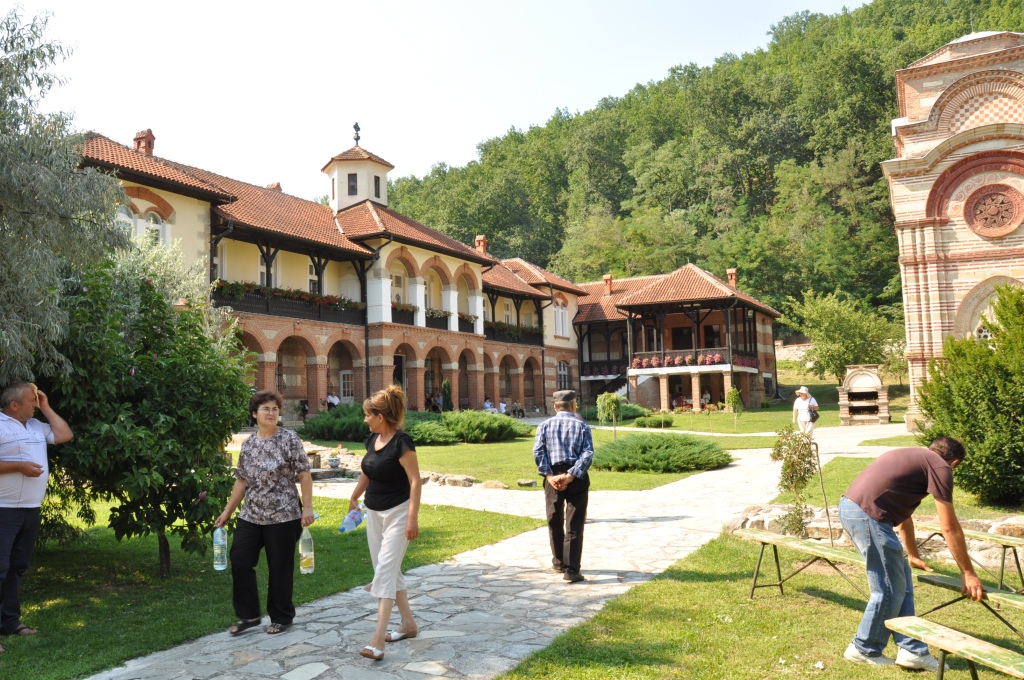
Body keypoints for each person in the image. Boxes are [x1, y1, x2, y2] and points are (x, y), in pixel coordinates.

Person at [839, 437, 984, 670]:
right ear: (954, 463)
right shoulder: (941, 467)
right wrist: (968, 572)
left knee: (901, 583)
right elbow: (949, 526)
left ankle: (911, 650)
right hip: (868, 515)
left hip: (854, 508)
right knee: (887, 588)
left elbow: (903, 516)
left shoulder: (915, 458)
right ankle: (863, 648)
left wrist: (913, 554)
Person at [215, 390, 315, 636]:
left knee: (279, 567)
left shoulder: (289, 439)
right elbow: (241, 480)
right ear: (254, 414)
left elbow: (304, 474)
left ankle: (281, 617)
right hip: (251, 515)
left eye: (275, 409)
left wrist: (308, 507)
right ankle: (249, 615)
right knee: (240, 559)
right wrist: (227, 512)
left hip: (284, 515)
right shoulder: (248, 444)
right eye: (265, 409)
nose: (271, 413)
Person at [349, 385, 422, 661]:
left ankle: (377, 640)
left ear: (380, 417)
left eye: (368, 415)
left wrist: (412, 519)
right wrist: (354, 496)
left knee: (385, 573)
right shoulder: (373, 440)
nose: (364, 419)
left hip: (399, 513)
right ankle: (408, 624)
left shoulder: (402, 442)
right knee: (387, 570)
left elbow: (415, 482)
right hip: (374, 512)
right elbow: (368, 472)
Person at [0, 382, 72, 648]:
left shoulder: (35, 426)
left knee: (16, 567)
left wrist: (47, 407)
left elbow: (64, 435)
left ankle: (10, 622)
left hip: (30, 509)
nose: (36, 405)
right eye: (32, 401)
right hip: (3, 509)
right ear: (14, 405)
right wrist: (19, 466)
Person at [533, 389, 594, 584]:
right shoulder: (582, 426)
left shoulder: (544, 426)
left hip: (552, 475)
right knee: (574, 523)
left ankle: (559, 562)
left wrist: (550, 476)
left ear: (554, 406)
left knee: (554, 519)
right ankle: (571, 569)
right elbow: (587, 453)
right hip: (576, 478)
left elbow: (539, 452)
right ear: (574, 405)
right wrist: (570, 475)